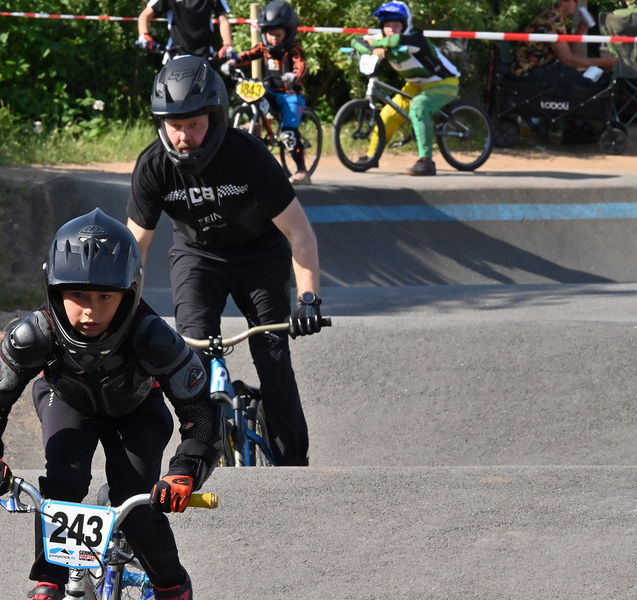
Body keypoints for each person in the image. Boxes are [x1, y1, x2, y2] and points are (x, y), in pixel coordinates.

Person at [0, 209, 218, 600]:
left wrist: (184, 473)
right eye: (76, 295)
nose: (89, 311)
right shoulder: (31, 335)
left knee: (135, 501)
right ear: (53, 290)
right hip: (68, 402)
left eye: (105, 297)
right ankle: (47, 582)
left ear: (131, 292)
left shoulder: (154, 337)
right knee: (63, 482)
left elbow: (200, 413)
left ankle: (172, 588)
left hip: (138, 410)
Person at [126, 55, 325, 468]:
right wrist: (123, 310)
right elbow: (135, 246)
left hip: (259, 255)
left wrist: (308, 300)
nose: (183, 136)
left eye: (194, 124)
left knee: (272, 357)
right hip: (197, 258)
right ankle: (199, 455)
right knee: (192, 354)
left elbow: (299, 231)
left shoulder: (248, 155)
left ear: (216, 118)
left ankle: (295, 469)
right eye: (174, 125)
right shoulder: (153, 166)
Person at [350, 1, 460, 177]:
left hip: (444, 83)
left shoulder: (414, 37)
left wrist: (377, 44)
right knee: (386, 115)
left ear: (405, 25)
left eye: (396, 25)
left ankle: (427, 163)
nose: (392, 29)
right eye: (387, 26)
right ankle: (372, 157)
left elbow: (397, 40)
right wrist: (374, 47)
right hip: (415, 84)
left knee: (418, 106)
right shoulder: (383, 39)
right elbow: (355, 41)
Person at [220, 0, 312, 185]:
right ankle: (259, 129)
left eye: (277, 34)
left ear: (288, 33)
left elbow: (301, 67)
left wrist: (293, 76)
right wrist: (232, 63)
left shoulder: (294, 50)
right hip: (270, 91)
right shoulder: (264, 48)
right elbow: (247, 55)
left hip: (290, 96)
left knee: (289, 134)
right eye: (269, 34)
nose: (273, 39)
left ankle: (303, 170)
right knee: (255, 97)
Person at [511, 0, 619, 87]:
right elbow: (568, 60)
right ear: (563, 1)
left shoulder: (555, 19)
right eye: (575, 1)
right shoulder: (553, 21)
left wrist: (582, 28)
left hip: (536, 70)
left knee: (580, 71)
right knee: (576, 77)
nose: (577, 4)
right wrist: (601, 62)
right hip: (528, 73)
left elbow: (570, 52)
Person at [136, 0, 234, 62]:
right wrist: (144, 35)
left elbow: (223, 20)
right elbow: (145, 15)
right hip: (175, 54)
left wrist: (227, 45)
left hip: (205, 55)